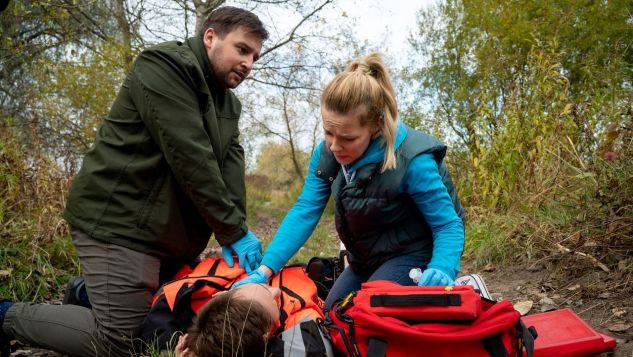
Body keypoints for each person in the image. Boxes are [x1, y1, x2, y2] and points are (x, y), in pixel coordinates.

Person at [0, 6, 268, 356]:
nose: (248, 63)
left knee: (159, 324)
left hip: (164, 237)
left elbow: (230, 170)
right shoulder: (164, 67)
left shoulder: (228, 106)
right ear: (210, 37)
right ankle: (5, 314)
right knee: (119, 342)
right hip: (121, 222)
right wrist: (231, 230)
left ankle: (85, 295)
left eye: (255, 57)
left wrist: (238, 231)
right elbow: (190, 155)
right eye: (242, 49)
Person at [233, 52, 466, 314]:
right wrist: (265, 270)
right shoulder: (328, 153)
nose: (335, 145)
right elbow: (305, 209)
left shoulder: (412, 160)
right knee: (334, 313)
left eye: (347, 138)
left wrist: (442, 267)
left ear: (376, 127)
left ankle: (464, 291)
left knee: (363, 314)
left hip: (415, 253)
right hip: (366, 257)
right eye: (328, 132)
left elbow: (447, 224)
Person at [140, 257, 333, 357]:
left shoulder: (184, 298)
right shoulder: (299, 322)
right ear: (267, 335)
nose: (275, 292)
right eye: (272, 297)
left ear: (224, 294)